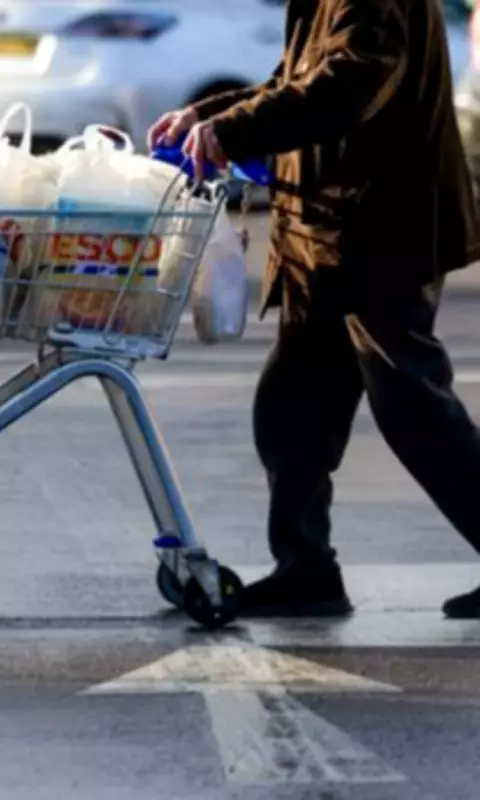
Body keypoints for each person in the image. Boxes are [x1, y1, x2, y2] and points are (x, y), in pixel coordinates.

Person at [148, 0, 480, 619]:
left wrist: (234, 131)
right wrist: (210, 114)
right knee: (293, 404)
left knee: (412, 402)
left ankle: (306, 567)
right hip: (323, 233)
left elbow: (351, 79)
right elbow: (294, 80)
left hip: (381, 227)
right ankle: (306, 570)